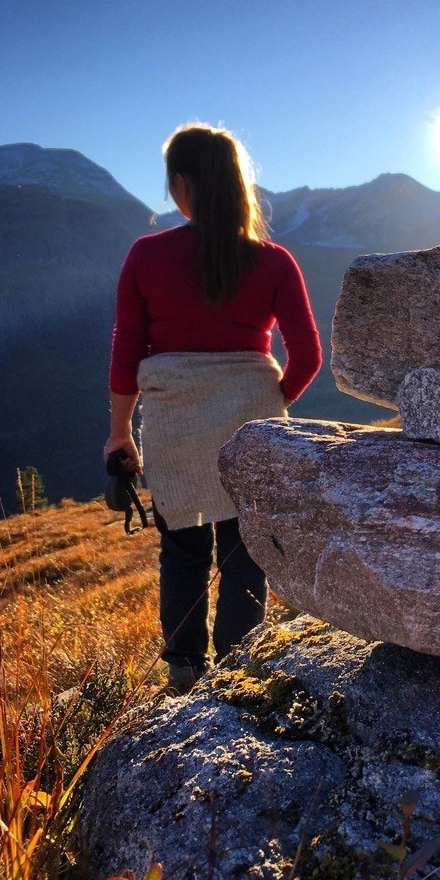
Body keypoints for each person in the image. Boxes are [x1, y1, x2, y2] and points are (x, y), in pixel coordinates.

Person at [105, 124, 322, 692]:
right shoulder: (273, 261)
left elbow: (127, 351)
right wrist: (271, 401)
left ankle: (183, 670)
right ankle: (237, 665)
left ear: (181, 184)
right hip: (252, 423)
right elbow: (308, 355)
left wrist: (120, 432)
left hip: (174, 424)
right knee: (246, 545)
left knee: (182, 546)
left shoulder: (146, 255)